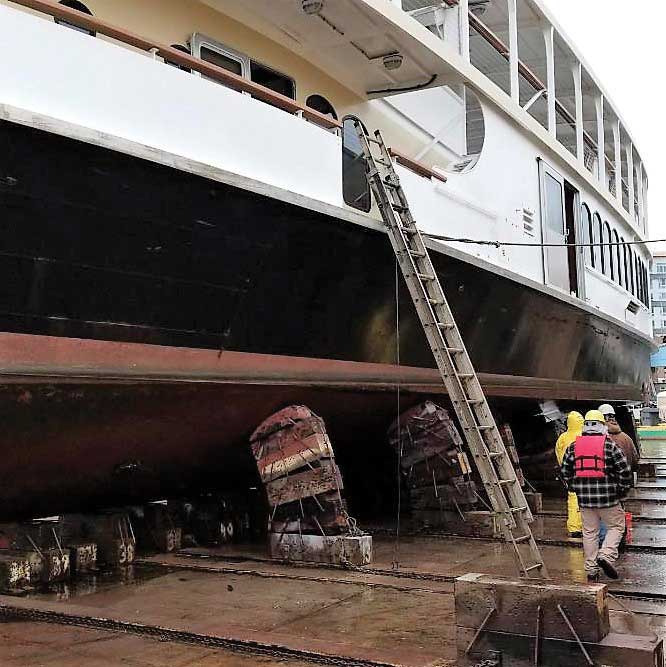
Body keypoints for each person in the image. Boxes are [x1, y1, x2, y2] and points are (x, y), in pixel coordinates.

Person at [560, 410, 632, 581]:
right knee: (616, 527)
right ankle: (606, 555)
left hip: (585, 500)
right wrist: (621, 491)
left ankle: (591, 569)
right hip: (609, 499)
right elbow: (625, 471)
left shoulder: (573, 447)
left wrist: (575, 488)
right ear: (602, 426)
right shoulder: (610, 446)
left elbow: (565, 471)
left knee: (589, 532)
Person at [555, 411, 584, 537]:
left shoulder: (563, 438)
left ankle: (574, 528)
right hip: (585, 473)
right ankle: (586, 526)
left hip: (570, 473)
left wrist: (564, 469)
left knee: (573, 500)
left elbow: (558, 453)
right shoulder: (585, 436)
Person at [599, 404, 640, 474]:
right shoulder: (627, 438)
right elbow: (635, 461)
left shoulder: (602, 440)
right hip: (626, 479)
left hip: (609, 481)